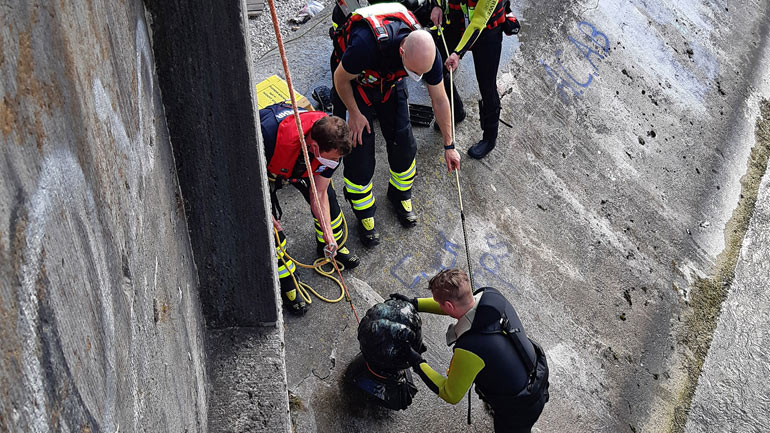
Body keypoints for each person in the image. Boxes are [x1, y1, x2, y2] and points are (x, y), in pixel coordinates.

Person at [330, 3, 461, 247]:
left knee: (404, 144)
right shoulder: (365, 45)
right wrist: (355, 113)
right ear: (402, 50)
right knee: (359, 153)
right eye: (413, 73)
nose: (418, 80)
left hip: (389, 84)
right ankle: (365, 214)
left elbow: (440, 98)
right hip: (355, 86)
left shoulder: (426, 52)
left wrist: (449, 145)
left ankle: (399, 194)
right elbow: (340, 78)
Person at [391, 268, 549, 432]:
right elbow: (453, 306)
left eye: (438, 302)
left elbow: (450, 394)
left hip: (519, 408)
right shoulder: (489, 296)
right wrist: (415, 303)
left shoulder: (472, 347)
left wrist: (416, 361)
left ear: (449, 305)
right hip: (534, 372)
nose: (437, 304)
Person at [260, 102, 360, 315]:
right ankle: (286, 281)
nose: (336, 162)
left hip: (302, 165)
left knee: (330, 211)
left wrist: (329, 235)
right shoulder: (267, 136)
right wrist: (263, 212)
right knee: (273, 233)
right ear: (315, 147)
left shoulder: (333, 147)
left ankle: (328, 248)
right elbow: (242, 174)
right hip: (266, 167)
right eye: (333, 158)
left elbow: (320, 193)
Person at [430, 0, 519, 159]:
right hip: (455, 20)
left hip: (487, 30)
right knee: (438, 68)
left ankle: (490, 138)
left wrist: (457, 53)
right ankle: (455, 111)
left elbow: (478, 21)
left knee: (487, 86)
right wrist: (437, 5)